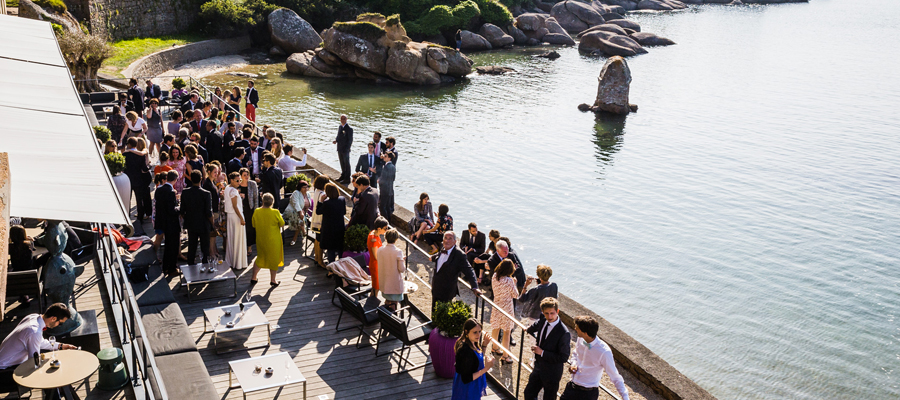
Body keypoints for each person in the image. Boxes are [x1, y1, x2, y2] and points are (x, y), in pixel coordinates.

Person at [561, 316, 630, 400]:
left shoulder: (604, 351)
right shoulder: (580, 338)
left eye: (577, 328)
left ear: (585, 333)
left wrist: (625, 397)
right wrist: (574, 364)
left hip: (588, 395)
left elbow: (615, 376)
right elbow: (575, 354)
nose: (575, 329)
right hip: (571, 387)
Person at [0, 304, 76, 370]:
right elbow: (34, 361)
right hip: (7, 367)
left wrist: (60, 346)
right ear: (53, 319)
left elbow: (39, 341)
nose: (59, 326)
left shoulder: (33, 317)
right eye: (60, 324)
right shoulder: (34, 332)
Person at [524, 297, 571, 400]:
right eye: (546, 313)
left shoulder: (564, 333)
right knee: (528, 393)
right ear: (542, 312)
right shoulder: (543, 318)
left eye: (552, 313)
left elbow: (564, 357)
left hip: (552, 372)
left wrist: (542, 353)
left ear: (557, 311)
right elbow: (538, 324)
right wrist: (529, 329)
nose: (549, 316)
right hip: (538, 367)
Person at [429, 231, 480, 314]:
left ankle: (439, 327)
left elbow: (469, 270)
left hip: (447, 290)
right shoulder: (443, 246)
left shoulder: (459, 254)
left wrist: (475, 287)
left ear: (455, 242)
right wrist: (433, 257)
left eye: (450, 239)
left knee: (443, 314)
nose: (447, 240)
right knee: (434, 309)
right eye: (445, 238)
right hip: (436, 286)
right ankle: (433, 326)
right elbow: (440, 255)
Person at [451, 319, 494, 400]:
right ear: (466, 332)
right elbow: (466, 378)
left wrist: (484, 345)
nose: (478, 335)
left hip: (473, 385)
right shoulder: (465, 351)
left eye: (479, 331)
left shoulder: (473, 342)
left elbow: (475, 360)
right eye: (475, 332)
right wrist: (486, 368)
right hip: (467, 389)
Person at [251, 193, 285, 287]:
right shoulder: (275, 212)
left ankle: (254, 277)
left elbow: (253, 224)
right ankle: (273, 280)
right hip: (273, 240)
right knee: (273, 259)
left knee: (260, 257)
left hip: (261, 239)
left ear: (262, 201)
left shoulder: (257, 211)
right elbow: (282, 224)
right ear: (272, 202)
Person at [490, 260, 518, 363]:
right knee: (507, 332)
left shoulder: (494, 276)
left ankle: (494, 347)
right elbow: (516, 295)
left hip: (497, 304)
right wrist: (514, 283)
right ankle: (505, 355)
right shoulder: (509, 281)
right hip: (507, 308)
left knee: (495, 328)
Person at [155, 171, 181, 275]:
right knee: (173, 246)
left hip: (162, 222)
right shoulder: (171, 192)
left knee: (167, 246)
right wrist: (179, 207)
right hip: (171, 223)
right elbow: (172, 210)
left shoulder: (159, 189)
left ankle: (165, 267)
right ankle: (172, 268)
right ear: (175, 180)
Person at [123, 137, 152, 221]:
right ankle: (140, 217)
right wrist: (149, 166)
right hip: (139, 179)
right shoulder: (140, 155)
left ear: (128, 144)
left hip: (128, 180)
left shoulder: (124, 155)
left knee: (127, 200)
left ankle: (127, 216)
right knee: (139, 200)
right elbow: (144, 169)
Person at [376, 228, 406, 310]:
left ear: (385, 238)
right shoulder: (398, 252)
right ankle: (391, 321)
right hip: (394, 282)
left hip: (384, 282)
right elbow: (402, 269)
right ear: (396, 239)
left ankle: (385, 317)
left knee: (387, 300)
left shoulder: (380, 250)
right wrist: (402, 260)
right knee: (394, 303)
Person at [223, 172, 248, 270]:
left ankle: (233, 260)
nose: (239, 182)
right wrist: (241, 218)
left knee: (233, 238)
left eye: (240, 180)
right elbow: (235, 206)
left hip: (230, 216)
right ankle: (238, 263)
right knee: (237, 238)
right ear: (232, 180)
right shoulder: (233, 191)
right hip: (236, 216)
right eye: (237, 181)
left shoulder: (227, 188)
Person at [317, 183, 346, 263]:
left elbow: (318, 211)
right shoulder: (342, 199)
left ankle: (332, 269)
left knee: (331, 250)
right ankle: (342, 267)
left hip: (329, 229)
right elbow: (344, 212)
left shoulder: (327, 203)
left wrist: (320, 201)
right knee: (340, 249)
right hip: (340, 228)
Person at [202, 163, 223, 259]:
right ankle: (212, 252)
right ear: (209, 172)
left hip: (215, 210)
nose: (216, 174)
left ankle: (214, 250)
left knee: (214, 233)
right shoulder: (207, 184)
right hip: (212, 211)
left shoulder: (212, 182)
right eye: (215, 172)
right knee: (212, 233)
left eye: (217, 172)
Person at [283, 180, 311, 246]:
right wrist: (300, 212)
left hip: (302, 213)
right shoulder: (296, 193)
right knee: (299, 216)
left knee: (300, 218)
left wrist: (304, 210)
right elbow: (296, 204)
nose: (306, 189)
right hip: (291, 212)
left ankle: (294, 238)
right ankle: (303, 230)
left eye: (307, 187)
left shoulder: (308, 194)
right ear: (300, 187)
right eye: (304, 187)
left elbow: (308, 204)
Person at [309, 175, 329, 266]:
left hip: (315, 220)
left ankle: (317, 258)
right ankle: (320, 261)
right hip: (321, 221)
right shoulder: (323, 194)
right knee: (320, 241)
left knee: (317, 239)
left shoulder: (316, 191)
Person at [367, 216, 389, 297]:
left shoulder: (374, 233)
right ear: (379, 228)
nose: (386, 230)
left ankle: (372, 300)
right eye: (385, 228)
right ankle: (373, 303)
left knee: (375, 285)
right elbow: (376, 256)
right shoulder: (374, 239)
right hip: (376, 265)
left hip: (375, 264)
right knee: (376, 287)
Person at [239, 168, 259, 255]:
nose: (247, 176)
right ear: (241, 176)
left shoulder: (252, 184)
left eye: (247, 174)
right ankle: (243, 246)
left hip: (250, 209)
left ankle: (249, 247)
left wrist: (256, 210)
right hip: (241, 209)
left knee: (250, 229)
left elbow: (256, 198)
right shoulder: (238, 185)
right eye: (244, 175)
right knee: (242, 228)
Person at [333, 114, 353, 183]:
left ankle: (347, 178)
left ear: (346, 119)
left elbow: (350, 140)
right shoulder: (340, 127)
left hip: (345, 150)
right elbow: (338, 136)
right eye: (341, 119)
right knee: (342, 163)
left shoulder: (349, 129)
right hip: (340, 148)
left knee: (346, 163)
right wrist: (336, 140)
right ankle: (343, 175)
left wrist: (347, 149)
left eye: (344, 119)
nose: (342, 120)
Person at [378, 151, 396, 219]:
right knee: (388, 207)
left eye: (385, 156)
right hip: (390, 190)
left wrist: (379, 181)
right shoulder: (393, 166)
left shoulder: (386, 167)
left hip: (385, 190)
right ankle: (389, 221)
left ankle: (385, 222)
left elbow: (383, 179)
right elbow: (393, 178)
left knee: (382, 206)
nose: (384, 157)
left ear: (389, 158)